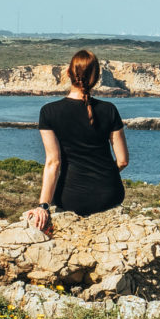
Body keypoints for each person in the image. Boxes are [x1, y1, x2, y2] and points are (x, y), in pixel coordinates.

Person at [24, 49, 128, 234]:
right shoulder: (109, 110)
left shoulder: (49, 112)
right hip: (109, 195)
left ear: (68, 73)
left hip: (71, 198)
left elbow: (53, 163)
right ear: (96, 77)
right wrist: (106, 175)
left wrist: (43, 206)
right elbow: (122, 161)